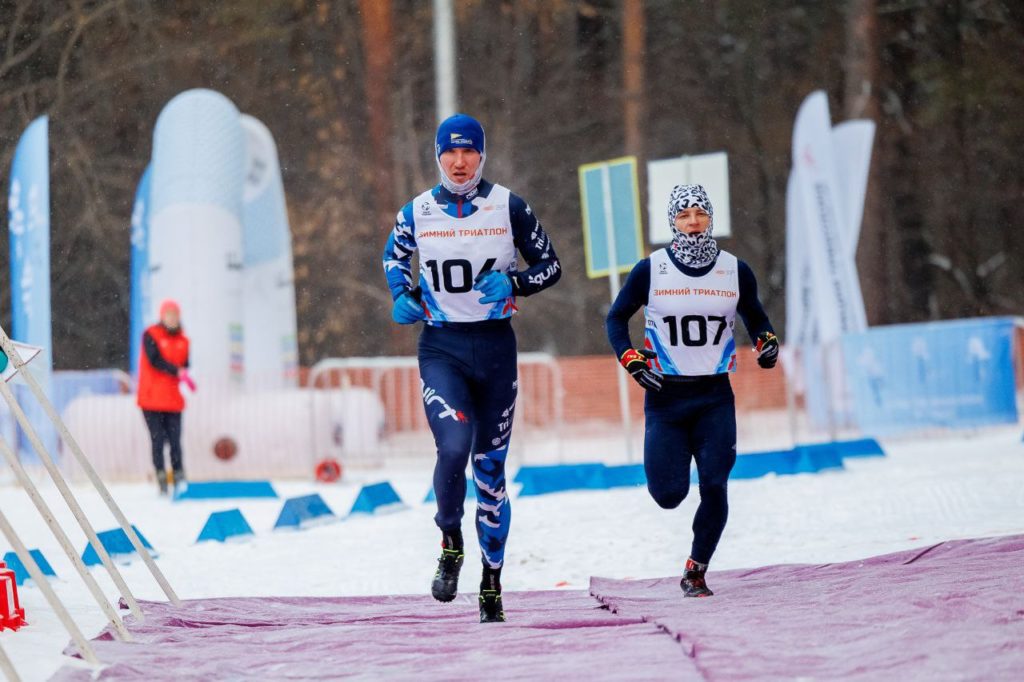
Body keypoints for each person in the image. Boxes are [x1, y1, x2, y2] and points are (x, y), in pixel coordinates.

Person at [382, 113, 561, 622]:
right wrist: (401, 294)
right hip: (442, 348)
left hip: (495, 348)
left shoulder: (509, 206)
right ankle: (450, 540)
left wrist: (517, 284)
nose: (459, 162)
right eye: (450, 153)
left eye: (469, 152)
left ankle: (491, 582)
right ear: (437, 157)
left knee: (489, 472)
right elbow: (393, 257)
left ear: (482, 156)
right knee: (454, 445)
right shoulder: (416, 212)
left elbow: (551, 265)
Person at [605, 184, 778, 597]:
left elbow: (757, 319)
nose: (694, 221)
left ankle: (696, 570)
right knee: (668, 495)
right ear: (672, 222)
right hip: (665, 397)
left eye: (700, 212)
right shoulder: (651, 269)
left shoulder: (736, 270)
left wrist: (767, 343)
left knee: (715, 485)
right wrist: (631, 359)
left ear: (711, 217)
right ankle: (685, 536)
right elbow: (615, 319)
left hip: (715, 396)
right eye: (684, 215)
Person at [137, 299, 194, 496]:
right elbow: (154, 361)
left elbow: (186, 364)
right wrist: (176, 371)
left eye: (175, 314)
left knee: (176, 442)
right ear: (162, 316)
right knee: (157, 440)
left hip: (173, 400)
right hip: (151, 399)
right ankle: (162, 479)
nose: (172, 318)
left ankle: (179, 478)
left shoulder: (184, 340)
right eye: (168, 314)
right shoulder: (150, 335)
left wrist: (183, 373)